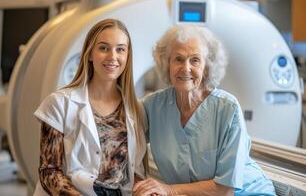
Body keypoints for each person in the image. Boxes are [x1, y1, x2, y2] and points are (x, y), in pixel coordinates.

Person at [133, 25, 276, 196]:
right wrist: (140, 185)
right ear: (167, 64)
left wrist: (168, 190)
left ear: (206, 67)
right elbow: (124, 146)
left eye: (195, 60)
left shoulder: (227, 108)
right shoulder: (152, 106)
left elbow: (225, 189)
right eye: (178, 59)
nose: (186, 68)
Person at [33, 19, 146, 196]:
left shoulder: (135, 109)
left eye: (120, 49)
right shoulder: (59, 103)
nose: (112, 57)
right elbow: (49, 172)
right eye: (103, 48)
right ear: (90, 54)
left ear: (127, 56)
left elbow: (134, 171)